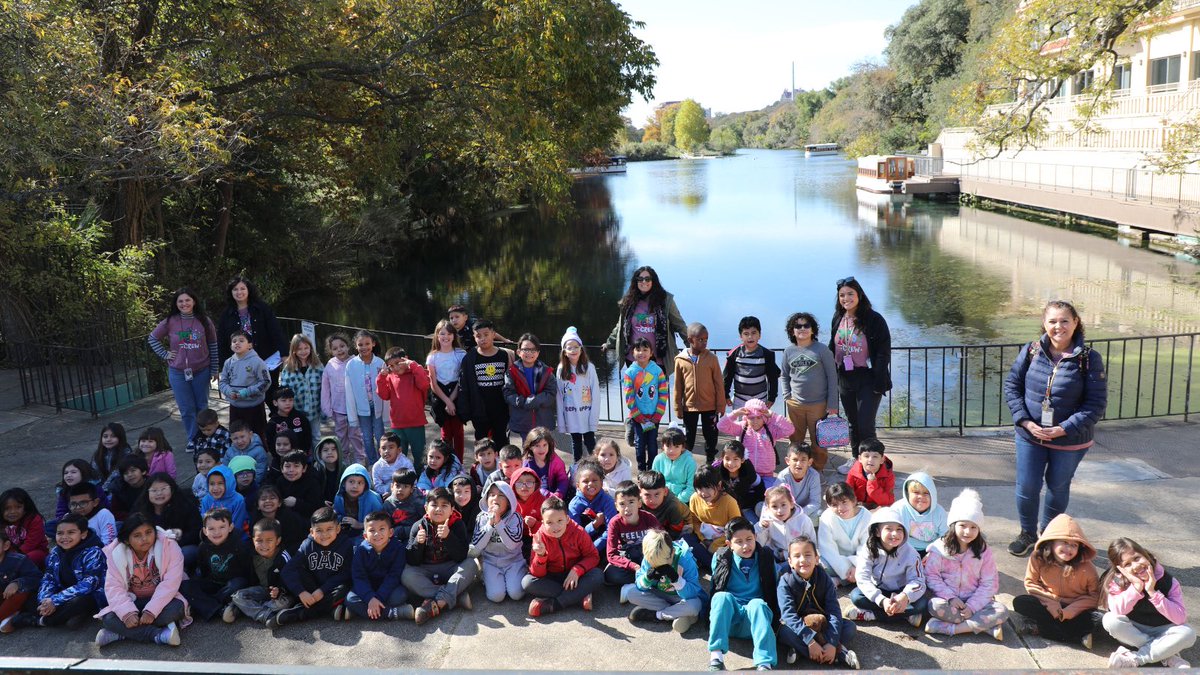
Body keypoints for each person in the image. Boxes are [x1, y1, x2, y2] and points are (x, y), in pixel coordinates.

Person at [1003, 300, 1107, 557]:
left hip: (1069, 440)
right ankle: (1028, 533)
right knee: (1027, 486)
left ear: (1075, 323)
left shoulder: (1089, 359)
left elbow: (1095, 405)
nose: (1058, 327)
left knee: (1057, 486)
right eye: (1052, 321)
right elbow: (1012, 387)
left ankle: (1049, 536)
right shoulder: (1031, 350)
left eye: (1064, 321)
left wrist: (1063, 428)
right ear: (1044, 324)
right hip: (1030, 435)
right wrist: (1025, 421)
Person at [922, 489, 1007, 639]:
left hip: (975, 600)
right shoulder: (939, 549)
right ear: (953, 525)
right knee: (935, 606)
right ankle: (984, 627)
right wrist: (950, 598)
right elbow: (932, 576)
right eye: (962, 525)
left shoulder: (983, 551)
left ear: (979, 529)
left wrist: (972, 607)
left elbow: (990, 582)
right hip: (949, 601)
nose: (967, 532)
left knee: (1002, 611)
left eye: (973, 527)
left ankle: (949, 628)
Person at [94, 514, 189, 647]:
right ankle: (158, 635)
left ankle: (121, 633)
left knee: (176, 609)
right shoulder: (116, 553)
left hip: (163, 601)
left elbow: (170, 584)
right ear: (127, 540)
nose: (144, 539)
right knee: (109, 618)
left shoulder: (169, 546)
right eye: (137, 535)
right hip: (133, 600)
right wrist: (127, 614)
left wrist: (151, 611)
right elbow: (114, 587)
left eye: (149, 532)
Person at [1101, 538, 1195, 668]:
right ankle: (1168, 655)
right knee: (1109, 620)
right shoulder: (1116, 582)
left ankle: (1136, 658)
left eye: (1137, 558)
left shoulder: (1168, 581)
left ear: (1145, 554)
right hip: (1134, 630)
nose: (1135, 565)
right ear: (1120, 570)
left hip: (1164, 629)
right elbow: (1117, 611)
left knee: (1188, 634)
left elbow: (1180, 618)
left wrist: (1153, 592)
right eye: (1127, 564)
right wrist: (1136, 587)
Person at [828, 277, 891, 473]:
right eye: (842, 295)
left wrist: (878, 379)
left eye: (850, 294)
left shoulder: (874, 319)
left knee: (865, 423)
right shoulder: (838, 318)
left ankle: (873, 464)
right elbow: (833, 346)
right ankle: (856, 460)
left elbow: (883, 351)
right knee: (853, 423)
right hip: (845, 377)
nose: (846, 298)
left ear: (859, 295)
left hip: (868, 377)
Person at [1, 514, 104, 632]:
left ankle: (39, 621)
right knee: (31, 597)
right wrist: (45, 600)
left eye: (71, 532)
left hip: (88, 594)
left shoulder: (94, 552)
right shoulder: (56, 552)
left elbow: (89, 584)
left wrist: (55, 600)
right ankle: (66, 616)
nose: (64, 537)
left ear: (83, 534)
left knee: (80, 602)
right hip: (62, 593)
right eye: (60, 533)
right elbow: (48, 577)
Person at [1012, 513, 1101, 648]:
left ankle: (1038, 628)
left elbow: (1095, 596)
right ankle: (1076, 636)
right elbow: (1031, 583)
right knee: (1021, 602)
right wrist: (1051, 603)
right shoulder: (1038, 558)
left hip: (1074, 607)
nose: (1069, 549)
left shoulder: (1087, 568)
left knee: (1094, 620)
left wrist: (1071, 610)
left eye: (1074, 545)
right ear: (1051, 542)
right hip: (1048, 603)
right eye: (1064, 542)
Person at [706, 517, 779, 671]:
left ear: (756, 538)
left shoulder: (765, 557)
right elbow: (715, 588)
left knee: (757, 604)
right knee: (721, 597)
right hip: (729, 621)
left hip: (756, 622)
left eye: (749, 539)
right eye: (739, 541)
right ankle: (716, 658)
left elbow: (774, 587)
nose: (746, 546)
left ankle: (764, 664)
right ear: (729, 545)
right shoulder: (720, 558)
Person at [777, 536, 859, 669]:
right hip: (799, 625)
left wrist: (831, 642)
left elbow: (833, 611)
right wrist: (810, 641)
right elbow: (788, 615)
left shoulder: (824, 578)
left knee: (849, 628)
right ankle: (839, 654)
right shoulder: (785, 582)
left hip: (822, 623)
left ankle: (801, 651)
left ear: (816, 559)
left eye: (808, 555)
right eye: (797, 556)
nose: (803, 560)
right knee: (784, 633)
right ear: (790, 562)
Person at [149, 288, 218, 439]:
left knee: (202, 406)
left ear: (194, 302)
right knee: (187, 409)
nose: (184, 303)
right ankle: (193, 438)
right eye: (180, 301)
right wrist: (165, 354)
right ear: (176, 303)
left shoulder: (204, 321)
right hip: (178, 372)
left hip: (201, 370)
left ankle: (205, 437)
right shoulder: (170, 321)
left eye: (187, 300)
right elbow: (153, 338)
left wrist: (214, 369)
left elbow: (213, 345)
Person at [402, 488, 476, 624]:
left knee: (471, 564)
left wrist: (449, 537)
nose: (438, 509)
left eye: (444, 505)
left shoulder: (458, 524)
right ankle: (454, 596)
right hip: (426, 569)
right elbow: (412, 560)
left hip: (450, 567)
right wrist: (418, 543)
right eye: (434, 505)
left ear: (452, 509)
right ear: (426, 508)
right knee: (406, 574)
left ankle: (436, 603)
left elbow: (461, 557)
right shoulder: (418, 526)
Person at [273, 507, 354, 627]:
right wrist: (301, 592)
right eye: (319, 530)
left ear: (337, 529)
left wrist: (322, 590)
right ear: (312, 532)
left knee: (346, 589)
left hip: (332, 588)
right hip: (312, 587)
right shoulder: (307, 545)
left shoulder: (346, 544)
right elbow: (287, 570)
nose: (324, 534)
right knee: (298, 571)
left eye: (329, 529)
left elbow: (346, 573)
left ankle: (301, 612)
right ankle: (330, 609)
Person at [846, 507, 927, 627]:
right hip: (879, 591)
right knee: (856, 596)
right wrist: (882, 600)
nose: (895, 534)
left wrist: (905, 597)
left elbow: (918, 581)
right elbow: (862, 578)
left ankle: (871, 615)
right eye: (889, 529)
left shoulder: (911, 553)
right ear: (877, 532)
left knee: (922, 604)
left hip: (901, 591)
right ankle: (905, 616)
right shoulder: (868, 549)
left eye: (899, 529)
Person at [602, 266, 689, 377]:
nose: (644, 282)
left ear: (653, 281)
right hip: (634, 358)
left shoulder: (665, 300)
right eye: (640, 279)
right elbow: (620, 326)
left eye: (647, 279)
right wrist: (609, 343)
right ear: (636, 281)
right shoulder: (629, 301)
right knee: (636, 392)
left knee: (658, 393)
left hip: (658, 360)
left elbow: (679, 325)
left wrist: (692, 345)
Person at [523, 496, 602, 617]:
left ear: (567, 518)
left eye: (560, 521)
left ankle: (555, 604)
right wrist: (541, 555)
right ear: (543, 522)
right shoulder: (539, 537)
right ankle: (579, 595)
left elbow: (593, 556)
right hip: (552, 577)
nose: (555, 527)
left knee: (597, 575)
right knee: (527, 582)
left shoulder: (578, 532)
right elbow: (537, 574)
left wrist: (577, 570)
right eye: (549, 522)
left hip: (576, 576)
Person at [781, 311, 839, 471]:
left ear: (813, 329)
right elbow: (784, 375)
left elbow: (833, 377)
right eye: (798, 326)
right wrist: (787, 396)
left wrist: (833, 403)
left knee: (819, 442)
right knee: (795, 442)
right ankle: (796, 470)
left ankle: (817, 470)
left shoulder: (822, 350)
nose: (802, 329)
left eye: (806, 325)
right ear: (792, 331)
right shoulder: (788, 351)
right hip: (795, 405)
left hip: (818, 405)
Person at [216, 277, 287, 405]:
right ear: (231, 292)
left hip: (266, 359)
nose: (239, 292)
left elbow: (276, 331)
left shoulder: (262, 308)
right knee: (248, 396)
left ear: (249, 290)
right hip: (241, 364)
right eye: (235, 289)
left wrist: (284, 353)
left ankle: (276, 422)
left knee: (272, 394)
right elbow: (221, 341)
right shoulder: (227, 314)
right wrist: (222, 365)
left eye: (243, 288)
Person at [627, 529, 703, 634]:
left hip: (681, 598)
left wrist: (677, 580)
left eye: (663, 564)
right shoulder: (650, 556)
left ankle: (658, 615)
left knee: (695, 605)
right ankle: (679, 614)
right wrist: (647, 578)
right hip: (660, 596)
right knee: (631, 594)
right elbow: (639, 586)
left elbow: (694, 592)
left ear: (672, 552)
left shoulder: (685, 558)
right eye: (655, 564)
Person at [181, 508, 251, 621]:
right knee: (185, 586)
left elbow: (248, 570)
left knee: (238, 584)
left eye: (222, 527)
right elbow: (203, 570)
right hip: (213, 582)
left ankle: (206, 605)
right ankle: (219, 608)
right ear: (205, 531)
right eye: (211, 528)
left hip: (231, 585)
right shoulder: (203, 547)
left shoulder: (239, 545)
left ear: (230, 527)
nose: (217, 532)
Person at [673, 323, 726, 464]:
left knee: (711, 435)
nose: (704, 342)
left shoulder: (712, 359)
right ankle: (687, 461)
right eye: (700, 339)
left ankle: (710, 460)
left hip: (709, 405)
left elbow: (719, 384)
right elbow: (678, 385)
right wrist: (678, 406)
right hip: (689, 406)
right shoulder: (680, 360)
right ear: (690, 340)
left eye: (706, 339)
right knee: (689, 436)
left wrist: (721, 405)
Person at [468, 481, 527, 603]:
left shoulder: (516, 518)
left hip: (513, 561)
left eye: (501, 495)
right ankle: (484, 575)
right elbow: (477, 545)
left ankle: (520, 573)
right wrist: (490, 524)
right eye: (491, 495)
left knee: (516, 594)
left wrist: (499, 523)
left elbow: (512, 544)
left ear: (509, 500)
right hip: (490, 562)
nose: (495, 498)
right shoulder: (481, 517)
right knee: (496, 596)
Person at [346, 511, 411, 621]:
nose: (377, 534)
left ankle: (361, 610)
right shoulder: (360, 550)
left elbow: (394, 575)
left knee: (401, 595)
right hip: (369, 587)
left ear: (390, 532)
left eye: (382, 529)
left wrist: (377, 598)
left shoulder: (398, 548)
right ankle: (392, 613)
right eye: (372, 530)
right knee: (350, 599)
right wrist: (370, 597)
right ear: (365, 536)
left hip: (389, 588)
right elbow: (359, 577)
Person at [228, 519, 293, 625]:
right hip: (262, 590)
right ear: (253, 540)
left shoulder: (284, 557)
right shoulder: (251, 556)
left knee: (285, 602)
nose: (264, 545)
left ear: (278, 541)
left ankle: (248, 609)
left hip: (282, 594)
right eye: (259, 541)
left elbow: (293, 579)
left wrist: (280, 590)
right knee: (238, 596)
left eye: (269, 540)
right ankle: (266, 615)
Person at [457, 319, 513, 442]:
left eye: (486, 335)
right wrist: (464, 410)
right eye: (478, 336)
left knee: (502, 441)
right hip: (479, 409)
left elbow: (510, 382)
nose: (483, 338)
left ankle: (502, 461)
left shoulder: (503, 355)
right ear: (474, 337)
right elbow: (464, 385)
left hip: (501, 409)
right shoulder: (469, 358)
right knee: (482, 443)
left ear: (493, 334)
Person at [717, 398, 793, 485]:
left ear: (764, 417)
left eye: (759, 417)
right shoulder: (742, 427)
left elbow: (790, 429)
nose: (755, 421)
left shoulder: (770, 429)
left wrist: (773, 416)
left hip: (766, 474)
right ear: (746, 417)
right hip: (745, 472)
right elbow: (721, 426)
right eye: (751, 418)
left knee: (767, 496)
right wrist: (735, 413)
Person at [377, 347, 430, 468]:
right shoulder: (390, 377)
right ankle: (401, 479)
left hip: (415, 422)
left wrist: (414, 366)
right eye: (391, 366)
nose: (395, 367)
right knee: (398, 455)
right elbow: (384, 395)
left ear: (405, 359)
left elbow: (425, 384)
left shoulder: (415, 372)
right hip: (397, 424)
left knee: (419, 454)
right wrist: (381, 377)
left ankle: (421, 479)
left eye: (397, 363)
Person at [623, 338, 669, 471]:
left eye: (645, 350)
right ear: (633, 352)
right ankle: (642, 470)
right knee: (639, 443)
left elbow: (663, 393)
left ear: (651, 353)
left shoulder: (657, 371)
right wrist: (636, 414)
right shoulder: (630, 372)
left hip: (654, 415)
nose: (641, 353)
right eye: (638, 350)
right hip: (638, 416)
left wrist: (659, 413)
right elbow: (629, 396)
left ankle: (653, 469)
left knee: (653, 443)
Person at [604, 481, 659, 591]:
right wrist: (633, 566)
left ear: (639, 503)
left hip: (647, 555)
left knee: (667, 566)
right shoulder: (615, 523)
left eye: (631, 502)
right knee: (610, 574)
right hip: (628, 557)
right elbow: (611, 554)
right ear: (616, 506)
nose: (627, 508)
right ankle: (647, 580)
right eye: (622, 504)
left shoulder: (649, 518)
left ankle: (643, 581)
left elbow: (661, 542)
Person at [556, 327, 601, 461]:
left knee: (590, 442)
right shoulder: (561, 369)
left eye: (576, 347)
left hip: (586, 414)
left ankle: (597, 467)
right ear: (564, 352)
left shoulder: (589, 368)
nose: (573, 350)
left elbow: (596, 394)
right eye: (570, 347)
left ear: (581, 348)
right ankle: (577, 468)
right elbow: (559, 396)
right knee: (576, 443)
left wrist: (594, 417)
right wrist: (561, 420)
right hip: (571, 414)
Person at [686, 465, 741, 574]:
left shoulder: (729, 502)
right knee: (685, 538)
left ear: (719, 485)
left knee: (730, 552)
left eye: (708, 487)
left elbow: (736, 529)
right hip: (703, 538)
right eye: (699, 488)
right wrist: (703, 539)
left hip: (724, 541)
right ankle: (714, 565)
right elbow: (695, 522)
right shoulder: (694, 498)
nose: (703, 493)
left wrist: (714, 545)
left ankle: (709, 563)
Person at [133, 475, 200, 562]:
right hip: (150, 549)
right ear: (147, 492)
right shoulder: (140, 509)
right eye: (154, 490)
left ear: (172, 490)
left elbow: (195, 532)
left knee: (188, 552)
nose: (159, 493)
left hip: (179, 546)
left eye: (164, 489)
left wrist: (172, 543)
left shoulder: (185, 505)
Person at [503, 333, 557, 440]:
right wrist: (522, 401)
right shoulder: (511, 372)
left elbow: (551, 393)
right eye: (526, 350)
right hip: (522, 420)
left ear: (538, 353)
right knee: (526, 451)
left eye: (533, 350)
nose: (529, 353)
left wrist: (535, 400)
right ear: (518, 352)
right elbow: (508, 393)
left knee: (544, 450)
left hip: (543, 420)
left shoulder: (546, 371)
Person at [345, 329, 387, 467]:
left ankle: (384, 462)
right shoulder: (351, 365)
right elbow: (349, 390)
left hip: (378, 406)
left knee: (381, 436)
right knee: (367, 438)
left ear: (373, 344)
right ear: (356, 346)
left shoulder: (380, 363)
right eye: (360, 344)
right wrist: (352, 413)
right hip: (362, 409)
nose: (364, 347)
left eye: (367, 343)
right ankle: (373, 463)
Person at [427, 319, 467, 461]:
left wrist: (452, 401)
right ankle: (447, 463)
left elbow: (462, 378)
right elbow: (433, 383)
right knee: (446, 433)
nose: (446, 337)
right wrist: (446, 402)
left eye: (449, 333)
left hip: (457, 393)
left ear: (454, 336)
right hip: (440, 395)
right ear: (437, 335)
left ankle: (459, 464)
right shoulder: (432, 357)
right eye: (442, 333)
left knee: (458, 432)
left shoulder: (460, 354)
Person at [219, 330, 271, 438]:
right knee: (237, 436)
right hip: (235, 407)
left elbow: (265, 382)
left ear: (250, 345)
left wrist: (247, 392)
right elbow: (223, 382)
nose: (237, 343)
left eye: (241, 340)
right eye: (234, 341)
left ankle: (259, 454)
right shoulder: (228, 362)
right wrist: (229, 392)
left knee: (257, 435)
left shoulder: (257, 362)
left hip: (254, 407)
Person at [754, 485, 816, 575]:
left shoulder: (803, 520)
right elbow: (759, 544)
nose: (779, 510)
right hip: (774, 554)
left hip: (797, 556)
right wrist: (761, 527)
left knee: (797, 567)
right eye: (774, 507)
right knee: (761, 562)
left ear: (791, 504)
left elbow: (811, 543)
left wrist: (787, 555)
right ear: (768, 508)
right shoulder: (768, 520)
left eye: (783, 505)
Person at [817, 482, 870, 587]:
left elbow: (867, 546)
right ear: (828, 506)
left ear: (853, 500)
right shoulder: (827, 517)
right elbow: (828, 549)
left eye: (844, 502)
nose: (840, 508)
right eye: (834, 505)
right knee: (819, 564)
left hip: (859, 560)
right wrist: (846, 569)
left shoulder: (866, 516)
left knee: (878, 562)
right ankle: (849, 578)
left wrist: (856, 567)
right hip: (836, 561)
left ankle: (841, 580)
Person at [723, 317, 780, 411]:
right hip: (740, 399)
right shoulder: (734, 354)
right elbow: (727, 377)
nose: (750, 337)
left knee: (759, 424)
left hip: (760, 399)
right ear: (741, 336)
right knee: (740, 425)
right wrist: (725, 395)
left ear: (759, 335)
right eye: (746, 334)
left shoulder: (767, 354)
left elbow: (773, 377)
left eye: (754, 333)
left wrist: (772, 397)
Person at [567, 459, 617, 554]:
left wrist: (594, 549)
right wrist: (594, 525)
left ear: (602, 483)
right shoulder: (574, 505)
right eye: (585, 481)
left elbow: (611, 530)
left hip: (603, 544)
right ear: (578, 486)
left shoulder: (608, 501)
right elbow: (575, 533)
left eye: (594, 480)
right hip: (580, 544)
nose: (590, 484)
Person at [320, 333, 356, 461]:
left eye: (342, 346)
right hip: (338, 409)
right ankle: (344, 459)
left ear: (348, 346)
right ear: (331, 351)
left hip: (355, 409)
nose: (339, 350)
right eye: (335, 348)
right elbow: (325, 389)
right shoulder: (330, 365)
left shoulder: (355, 361)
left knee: (356, 436)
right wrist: (327, 408)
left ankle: (360, 459)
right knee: (341, 436)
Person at [896, 471, 948, 556]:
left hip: (931, 549)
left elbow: (945, 536)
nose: (921, 497)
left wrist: (934, 552)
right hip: (904, 547)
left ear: (933, 495)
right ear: (907, 494)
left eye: (926, 493)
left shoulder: (939, 512)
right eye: (916, 492)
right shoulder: (899, 509)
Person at [277, 333, 324, 428]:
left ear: (311, 348)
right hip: (296, 411)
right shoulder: (288, 369)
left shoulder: (318, 366)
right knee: (299, 436)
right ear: (294, 350)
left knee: (316, 436)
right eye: (299, 349)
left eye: (306, 348)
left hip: (315, 409)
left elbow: (324, 388)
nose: (303, 351)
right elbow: (285, 391)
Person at [714, 440, 765, 521]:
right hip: (726, 506)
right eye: (727, 459)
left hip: (747, 504)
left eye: (735, 459)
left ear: (742, 460)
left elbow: (759, 485)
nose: (731, 463)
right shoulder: (717, 470)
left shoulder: (748, 470)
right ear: (722, 458)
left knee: (757, 523)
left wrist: (758, 502)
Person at [250, 484, 307, 554]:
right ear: (258, 506)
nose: (268, 501)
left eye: (272, 498)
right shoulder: (254, 521)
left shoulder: (290, 518)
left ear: (279, 503)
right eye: (263, 499)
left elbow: (296, 542)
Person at [0, 530, 40, 626]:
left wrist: (17, 583)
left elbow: (37, 578)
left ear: (6, 546)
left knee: (19, 593)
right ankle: (8, 616)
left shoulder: (19, 560)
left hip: (22, 598)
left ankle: (9, 616)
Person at [638, 470, 691, 542]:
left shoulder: (672, 505)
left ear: (665, 491)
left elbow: (676, 531)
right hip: (657, 526)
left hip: (681, 524)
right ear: (640, 492)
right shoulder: (636, 501)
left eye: (657, 494)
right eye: (647, 495)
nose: (652, 500)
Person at [0, 488, 48, 569]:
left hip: (34, 551)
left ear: (25, 508)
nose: (12, 512)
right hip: (8, 553)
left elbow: (31, 543)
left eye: (18, 507)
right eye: (7, 508)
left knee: (31, 557)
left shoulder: (34, 519)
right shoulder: (2, 522)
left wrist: (14, 557)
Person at [269, 451, 323, 520]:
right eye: (287, 466)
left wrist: (297, 503)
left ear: (304, 468)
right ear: (282, 469)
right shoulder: (280, 481)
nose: (291, 470)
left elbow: (316, 507)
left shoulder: (312, 483)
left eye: (296, 466)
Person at [264, 387, 313, 462]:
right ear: (275, 402)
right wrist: (279, 458)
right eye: (283, 400)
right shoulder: (272, 423)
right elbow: (271, 444)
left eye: (290, 400)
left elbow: (307, 437)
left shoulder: (301, 418)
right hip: (281, 459)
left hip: (301, 457)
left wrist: (303, 454)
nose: (288, 403)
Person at [333, 464, 384, 536]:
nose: (355, 486)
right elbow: (337, 513)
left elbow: (381, 520)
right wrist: (341, 520)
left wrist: (360, 525)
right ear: (344, 483)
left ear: (365, 485)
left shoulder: (372, 500)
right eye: (351, 482)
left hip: (368, 532)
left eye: (360, 483)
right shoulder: (339, 497)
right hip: (346, 530)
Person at [776, 443, 822, 523]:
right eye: (795, 459)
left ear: (810, 462)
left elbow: (815, 502)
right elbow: (777, 499)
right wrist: (788, 514)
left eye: (803, 460)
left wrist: (798, 514)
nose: (799, 464)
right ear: (787, 461)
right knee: (760, 507)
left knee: (820, 515)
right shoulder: (783, 476)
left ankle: (793, 525)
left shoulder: (814, 476)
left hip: (804, 510)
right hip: (786, 510)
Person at [844, 438, 894, 510]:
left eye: (875, 456)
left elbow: (888, 501)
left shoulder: (888, 476)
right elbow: (847, 494)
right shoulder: (853, 473)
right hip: (858, 506)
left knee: (887, 510)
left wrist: (873, 484)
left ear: (882, 459)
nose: (870, 460)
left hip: (878, 506)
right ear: (860, 458)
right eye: (866, 456)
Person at [200, 465, 249, 537]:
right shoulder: (206, 500)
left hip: (234, 538)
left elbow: (237, 525)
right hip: (212, 536)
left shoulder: (238, 500)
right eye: (212, 484)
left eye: (220, 483)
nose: (215, 488)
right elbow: (204, 522)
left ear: (228, 483)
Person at [652, 427, 696, 505]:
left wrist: (678, 500)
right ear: (663, 446)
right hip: (661, 499)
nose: (672, 451)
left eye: (676, 447)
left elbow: (691, 487)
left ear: (682, 447)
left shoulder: (690, 462)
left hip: (683, 500)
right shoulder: (658, 459)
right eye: (668, 446)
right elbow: (653, 482)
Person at [522, 428, 569, 499]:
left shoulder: (555, 461)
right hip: (533, 498)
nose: (542, 449)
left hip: (553, 498)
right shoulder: (526, 465)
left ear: (549, 445)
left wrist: (559, 493)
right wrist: (544, 493)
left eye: (544, 445)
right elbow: (525, 484)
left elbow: (562, 479)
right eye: (537, 446)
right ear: (530, 447)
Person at [68, 483, 118, 547]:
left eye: (83, 503)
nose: (78, 507)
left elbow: (109, 542)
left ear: (95, 502)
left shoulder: (103, 514)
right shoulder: (68, 517)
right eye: (73, 504)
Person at [383, 471, 424, 547]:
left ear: (412, 488)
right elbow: (386, 523)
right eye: (397, 486)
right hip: (395, 534)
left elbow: (424, 521)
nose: (400, 489)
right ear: (392, 487)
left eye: (405, 486)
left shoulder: (418, 502)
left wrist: (406, 531)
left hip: (413, 533)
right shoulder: (388, 503)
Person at [371, 433, 416, 498]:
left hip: (405, 493)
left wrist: (396, 491)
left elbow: (413, 483)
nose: (386, 451)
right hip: (386, 496)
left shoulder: (406, 463)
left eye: (391, 447)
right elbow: (377, 487)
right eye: (383, 448)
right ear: (380, 451)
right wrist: (391, 492)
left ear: (399, 450)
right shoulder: (377, 467)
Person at [92, 423, 133, 494]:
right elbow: (94, 472)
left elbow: (116, 475)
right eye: (105, 436)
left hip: (119, 488)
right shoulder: (98, 453)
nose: (108, 439)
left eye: (113, 436)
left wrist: (102, 491)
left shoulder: (126, 453)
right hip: (102, 488)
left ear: (120, 438)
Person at [109, 456, 149, 522]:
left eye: (133, 470)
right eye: (125, 473)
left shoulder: (153, 485)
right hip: (129, 521)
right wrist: (133, 517)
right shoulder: (119, 488)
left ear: (143, 471)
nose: (129, 475)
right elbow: (116, 512)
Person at [313, 437, 346, 506]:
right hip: (322, 504)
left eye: (333, 449)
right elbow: (314, 491)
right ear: (320, 454)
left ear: (339, 451)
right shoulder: (316, 469)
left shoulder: (345, 469)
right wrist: (322, 501)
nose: (330, 452)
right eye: (325, 450)